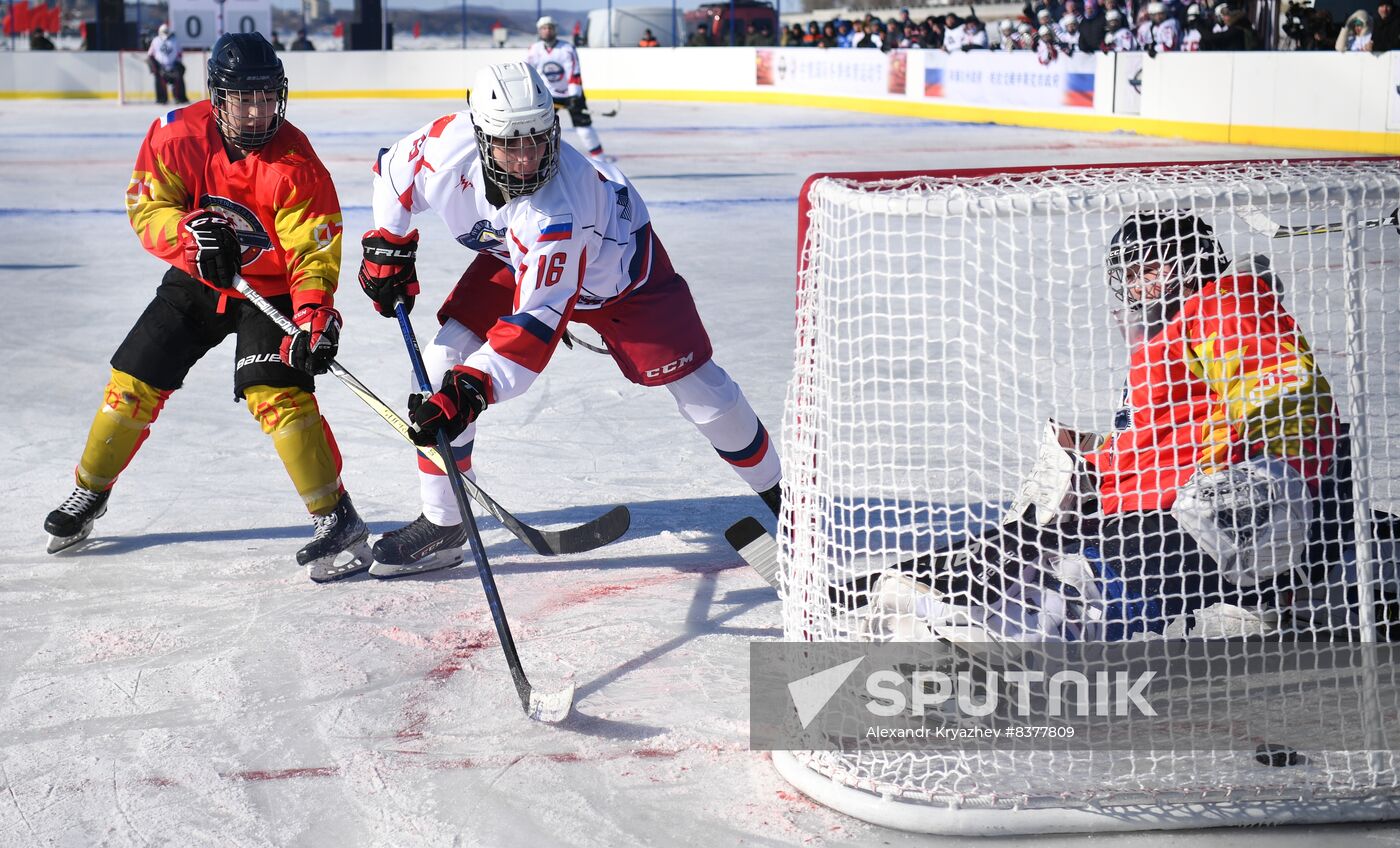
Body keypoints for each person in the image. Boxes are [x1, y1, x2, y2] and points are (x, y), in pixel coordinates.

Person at [357, 62, 783, 576]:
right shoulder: (446, 144)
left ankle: (789, 505)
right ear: (479, 134)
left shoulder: (558, 208)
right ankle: (444, 524)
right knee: (443, 357)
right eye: (511, 145)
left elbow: (534, 327)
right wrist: (390, 244)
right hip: (514, 256)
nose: (527, 158)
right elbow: (393, 173)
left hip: (621, 276)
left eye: (538, 140)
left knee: (703, 392)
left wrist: (468, 394)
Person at [873, 211, 1340, 642]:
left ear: (1194, 262)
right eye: (1130, 276)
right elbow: (1167, 430)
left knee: (1051, 603)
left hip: (1184, 519)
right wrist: (1091, 459)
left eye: (1151, 271)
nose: (1139, 287)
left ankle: (1022, 626)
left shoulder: (1225, 304)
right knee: (962, 573)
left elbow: (1286, 395)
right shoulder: (1168, 333)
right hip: (1142, 511)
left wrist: (1272, 485)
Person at [43, 33, 371, 583]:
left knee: (278, 396)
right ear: (217, 97)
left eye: (267, 98)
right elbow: (148, 208)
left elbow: (312, 252)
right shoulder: (176, 135)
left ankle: (336, 517)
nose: (257, 111)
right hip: (197, 278)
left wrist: (314, 316)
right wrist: (192, 242)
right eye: (244, 98)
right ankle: (89, 492)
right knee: (132, 383)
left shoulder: (296, 163)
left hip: (271, 290)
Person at [527, 16, 605, 159]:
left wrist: (574, 95)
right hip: (548, 96)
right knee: (542, 130)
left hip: (572, 94)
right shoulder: (534, 50)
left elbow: (574, 72)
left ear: (555, 30)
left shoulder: (567, 48)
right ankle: (543, 160)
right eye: (544, 28)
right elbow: (529, 73)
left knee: (584, 129)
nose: (547, 31)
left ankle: (601, 161)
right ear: (539, 31)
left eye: (550, 28)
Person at [146, 23, 188, 105]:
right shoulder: (156, 41)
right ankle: (161, 99)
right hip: (160, 67)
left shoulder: (175, 40)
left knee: (179, 79)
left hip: (173, 66)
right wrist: (155, 66)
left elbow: (179, 54)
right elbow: (150, 55)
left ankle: (180, 98)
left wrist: (177, 64)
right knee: (159, 81)